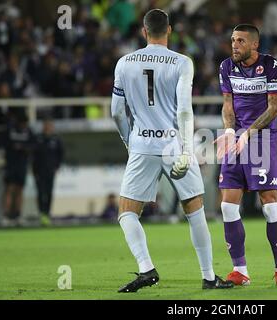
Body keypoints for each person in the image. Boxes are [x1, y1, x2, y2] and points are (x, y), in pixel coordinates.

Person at [111, 9, 233, 292]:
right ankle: (208, 277)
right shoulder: (182, 62)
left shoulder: (124, 63)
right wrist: (188, 150)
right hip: (175, 145)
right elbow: (183, 109)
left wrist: (130, 141)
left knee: (127, 212)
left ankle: (146, 268)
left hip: (142, 144)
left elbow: (116, 111)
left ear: (144, 31)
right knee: (194, 210)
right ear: (169, 30)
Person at [214, 24, 277, 286]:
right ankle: (241, 271)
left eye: (240, 41)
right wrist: (228, 131)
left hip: (261, 138)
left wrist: (248, 133)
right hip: (236, 139)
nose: (234, 45)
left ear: (254, 45)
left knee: (269, 205)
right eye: (232, 40)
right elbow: (228, 104)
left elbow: (274, 108)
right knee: (227, 205)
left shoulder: (272, 66)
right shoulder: (226, 66)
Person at [2, 112, 34, 226]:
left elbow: (33, 146)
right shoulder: (10, 131)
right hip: (11, 164)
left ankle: (18, 216)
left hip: (22, 165)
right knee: (9, 189)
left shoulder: (28, 131)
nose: (24, 125)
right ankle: (6, 216)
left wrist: (24, 148)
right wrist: (13, 148)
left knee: (20, 190)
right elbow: (4, 144)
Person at [32, 119, 64, 226]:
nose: (48, 128)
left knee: (49, 193)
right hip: (39, 171)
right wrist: (34, 169)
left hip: (50, 171)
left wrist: (57, 166)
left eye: (50, 126)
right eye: (46, 126)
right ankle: (42, 213)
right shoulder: (38, 138)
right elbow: (34, 155)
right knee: (41, 193)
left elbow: (61, 154)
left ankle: (47, 213)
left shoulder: (55, 139)